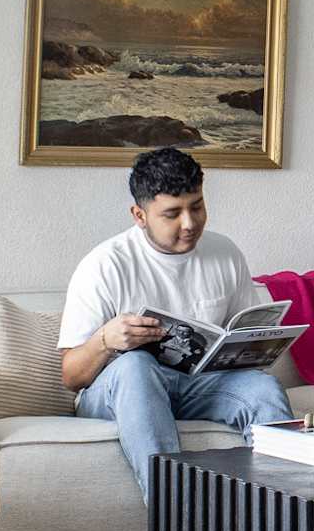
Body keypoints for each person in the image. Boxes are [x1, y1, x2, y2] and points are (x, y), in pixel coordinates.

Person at [58, 147, 293, 497]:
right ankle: (177, 527)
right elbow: (70, 377)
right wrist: (105, 340)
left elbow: (243, 336)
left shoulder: (224, 253)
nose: (190, 223)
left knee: (263, 389)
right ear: (139, 215)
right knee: (136, 365)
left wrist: (254, 345)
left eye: (196, 206)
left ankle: (282, 522)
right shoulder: (105, 265)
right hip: (125, 391)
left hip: (198, 385)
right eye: (172, 214)